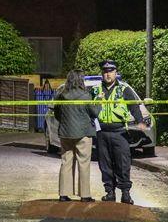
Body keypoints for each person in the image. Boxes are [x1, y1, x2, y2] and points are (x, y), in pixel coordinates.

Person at [92, 59, 146, 204]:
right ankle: (109, 192)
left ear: (116, 73)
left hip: (120, 131)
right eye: (105, 72)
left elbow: (134, 107)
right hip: (101, 132)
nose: (108, 74)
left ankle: (125, 193)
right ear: (102, 74)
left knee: (123, 163)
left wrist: (140, 121)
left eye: (110, 71)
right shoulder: (95, 90)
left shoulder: (124, 89)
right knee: (105, 164)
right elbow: (88, 109)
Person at [54, 70, 100, 202]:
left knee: (66, 162)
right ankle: (85, 195)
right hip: (83, 133)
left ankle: (63, 193)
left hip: (65, 133)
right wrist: (99, 102)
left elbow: (57, 113)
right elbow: (95, 112)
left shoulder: (61, 94)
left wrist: (65, 123)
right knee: (84, 163)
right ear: (81, 80)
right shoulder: (86, 95)